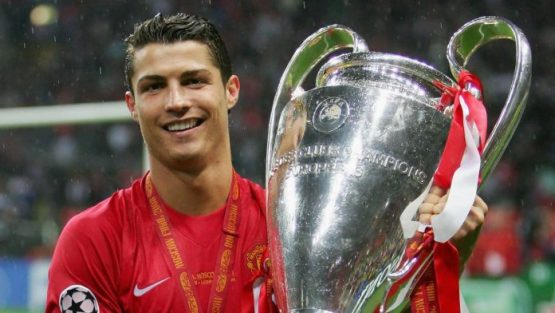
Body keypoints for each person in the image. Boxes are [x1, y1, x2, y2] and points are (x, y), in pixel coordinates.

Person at [46, 12, 487, 313]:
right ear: (132, 105)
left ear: (231, 91)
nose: (177, 101)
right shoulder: (95, 239)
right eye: (155, 87)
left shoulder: (298, 231)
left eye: (194, 81)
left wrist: (449, 254)